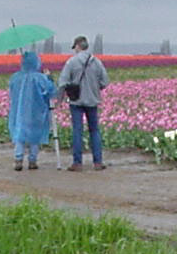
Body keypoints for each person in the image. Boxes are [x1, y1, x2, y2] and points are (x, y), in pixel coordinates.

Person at [57, 36, 109, 171]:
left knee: (77, 131)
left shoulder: (71, 62)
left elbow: (62, 82)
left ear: (78, 47)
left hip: (76, 101)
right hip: (93, 101)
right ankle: (98, 162)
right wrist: (94, 88)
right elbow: (105, 82)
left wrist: (60, 99)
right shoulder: (97, 62)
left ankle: (77, 163)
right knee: (94, 131)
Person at [6, 49, 56, 170]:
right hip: (36, 112)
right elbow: (51, 91)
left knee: (20, 135)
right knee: (35, 136)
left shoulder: (15, 77)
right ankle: (32, 160)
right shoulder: (40, 78)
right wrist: (49, 78)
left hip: (19, 112)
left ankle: (18, 159)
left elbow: (11, 92)